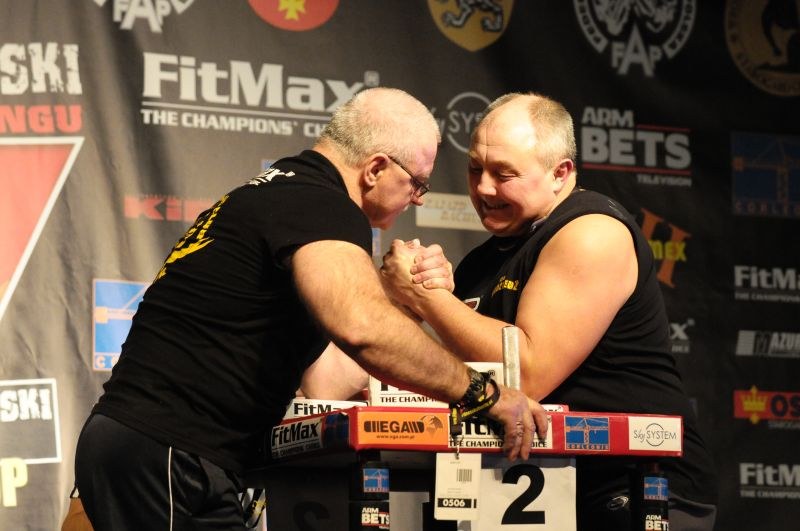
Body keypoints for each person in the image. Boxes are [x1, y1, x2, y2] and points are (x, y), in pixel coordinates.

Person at [73, 87, 549, 531]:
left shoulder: (284, 194)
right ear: (376, 168)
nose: (415, 199)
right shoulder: (320, 205)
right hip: (166, 450)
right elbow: (365, 329)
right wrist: (484, 394)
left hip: (161, 451)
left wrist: (407, 302)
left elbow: (326, 382)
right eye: (417, 184)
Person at [380, 92, 718, 531]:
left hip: (634, 488)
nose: (483, 188)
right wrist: (403, 302)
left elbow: (528, 375)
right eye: (475, 169)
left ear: (561, 173)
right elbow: (452, 376)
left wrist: (427, 296)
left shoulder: (593, 231)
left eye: (504, 174)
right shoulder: (483, 261)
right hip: (536, 493)